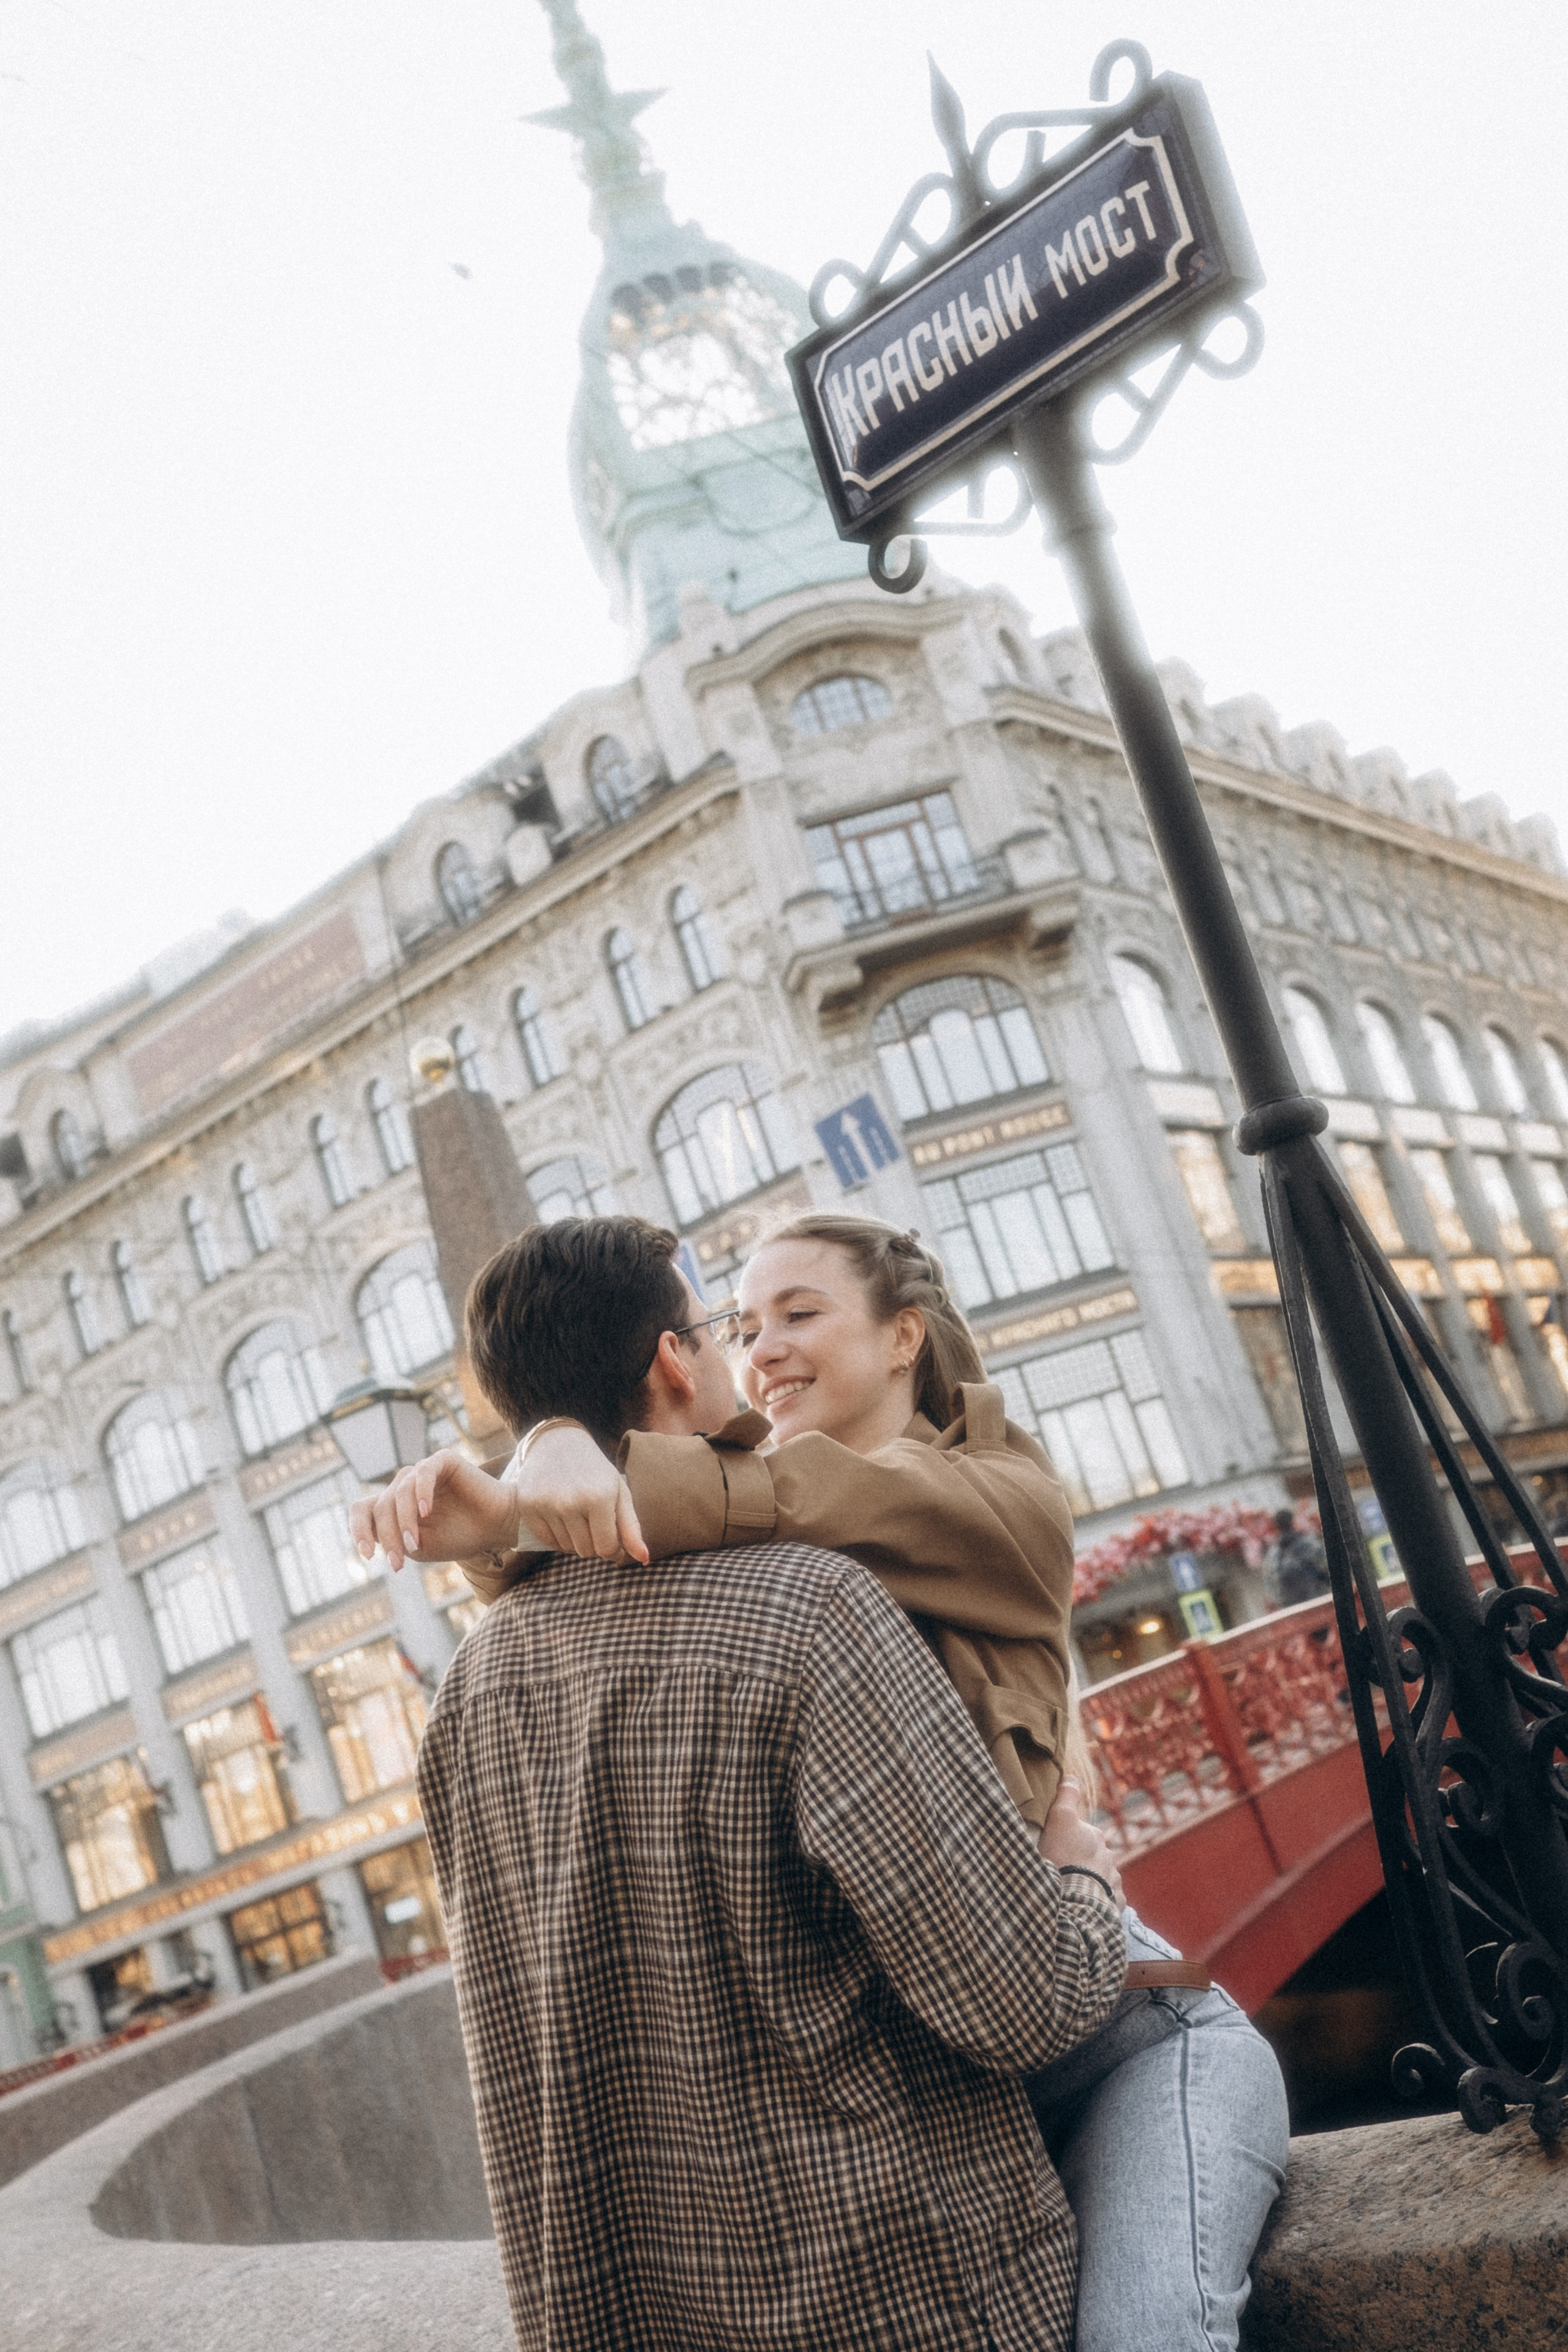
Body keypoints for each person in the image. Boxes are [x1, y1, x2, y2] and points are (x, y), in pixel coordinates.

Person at [359, 1212, 1288, 2352]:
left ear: (906, 1337)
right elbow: (1020, 1997)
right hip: (948, 2083)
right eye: (734, 1325)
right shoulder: (780, 1585)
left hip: (1056, 2022)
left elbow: (797, 1500)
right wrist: (540, 1481)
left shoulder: (971, 1492)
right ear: (672, 1360)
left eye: (799, 1315)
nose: (759, 1350)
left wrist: (530, 1480)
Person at [1265, 1507, 1330, 1608]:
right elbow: (1328, 1569)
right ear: (1293, 1522)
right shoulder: (1308, 1544)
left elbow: (1272, 1589)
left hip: (1292, 1611)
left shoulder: (1272, 1555)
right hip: (1318, 1603)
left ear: (1276, 1527)